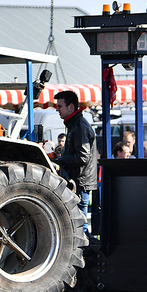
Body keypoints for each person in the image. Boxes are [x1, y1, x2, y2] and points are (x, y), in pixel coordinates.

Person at [54, 90, 97, 236]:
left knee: (80, 227)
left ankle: (86, 254)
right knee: (79, 225)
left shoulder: (79, 126)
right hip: (79, 182)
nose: (57, 109)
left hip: (79, 184)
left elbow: (82, 157)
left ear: (71, 107)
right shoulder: (76, 124)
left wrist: (60, 159)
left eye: (60, 106)